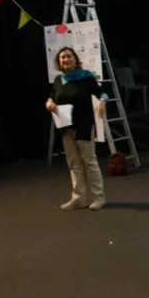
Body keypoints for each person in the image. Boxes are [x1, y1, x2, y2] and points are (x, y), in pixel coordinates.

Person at [46, 47, 108, 211]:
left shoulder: (85, 77)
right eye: (62, 58)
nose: (65, 60)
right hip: (66, 127)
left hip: (83, 125)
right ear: (59, 62)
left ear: (75, 59)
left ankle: (98, 197)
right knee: (74, 164)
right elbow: (52, 97)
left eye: (68, 56)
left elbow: (102, 93)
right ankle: (79, 198)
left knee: (89, 162)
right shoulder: (58, 80)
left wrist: (102, 102)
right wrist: (49, 103)